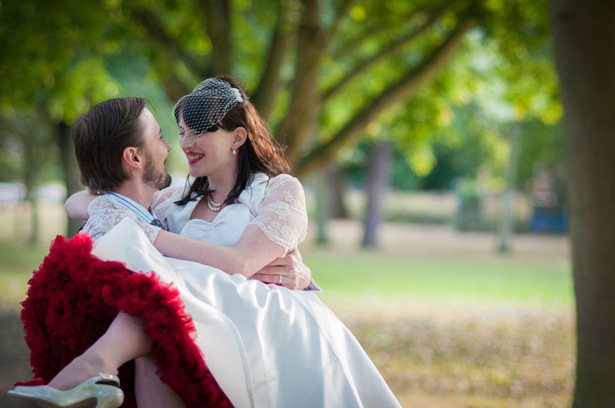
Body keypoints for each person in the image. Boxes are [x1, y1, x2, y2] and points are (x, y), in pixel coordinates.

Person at [10, 76, 401, 408]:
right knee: (156, 342)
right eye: (180, 131)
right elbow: (81, 200)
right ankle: (93, 372)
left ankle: (91, 369)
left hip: (266, 328)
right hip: (207, 321)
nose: (185, 141)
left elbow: (240, 264)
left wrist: (148, 234)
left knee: (161, 292)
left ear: (238, 137)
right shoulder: (177, 199)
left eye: (200, 130)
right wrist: (120, 213)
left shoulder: (279, 192)